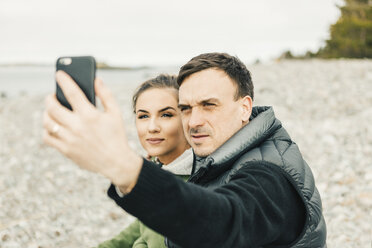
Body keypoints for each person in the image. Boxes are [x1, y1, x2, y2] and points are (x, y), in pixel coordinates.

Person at [43, 52, 327, 247]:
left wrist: (121, 165)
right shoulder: (222, 156)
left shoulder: (270, 175)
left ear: (245, 107)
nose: (194, 121)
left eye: (209, 105)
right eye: (186, 109)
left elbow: (221, 223)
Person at [97, 74, 192, 248]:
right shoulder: (160, 169)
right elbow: (142, 226)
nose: (152, 127)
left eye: (166, 115)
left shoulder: (199, 180)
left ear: (187, 118)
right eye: (143, 116)